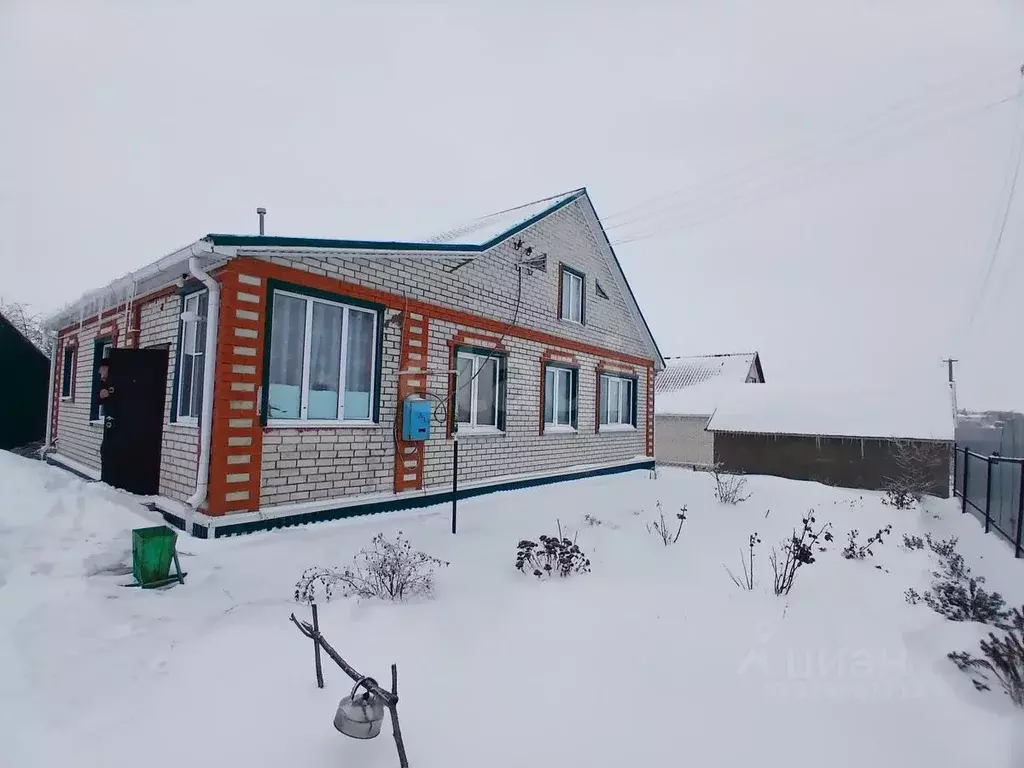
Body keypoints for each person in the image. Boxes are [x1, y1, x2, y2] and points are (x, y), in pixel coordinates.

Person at [97, 357, 119, 486]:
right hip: (108, 420)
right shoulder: (103, 383)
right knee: (105, 449)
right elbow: (98, 400)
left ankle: (110, 480)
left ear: (107, 369)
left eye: (102, 368)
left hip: (117, 421)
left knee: (109, 449)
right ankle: (106, 479)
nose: (100, 371)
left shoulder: (114, 383)